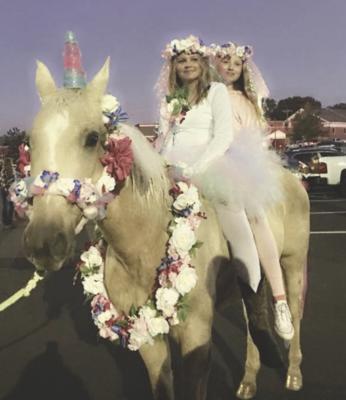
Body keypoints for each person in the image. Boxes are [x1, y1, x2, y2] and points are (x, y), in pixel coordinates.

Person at [210, 41, 294, 340]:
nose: (231, 66)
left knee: (256, 218)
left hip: (241, 164)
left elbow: (252, 136)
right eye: (226, 61)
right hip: (212, 160)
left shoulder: (247, 99)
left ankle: (279, 300)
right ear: (215, 64)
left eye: (237, 62)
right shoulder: (209, 95)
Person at [0, 154, 16, 229]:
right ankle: (7, 222)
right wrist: (7, 189)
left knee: (9, 205)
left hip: (9, 188)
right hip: (6, 189)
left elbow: (13, 179)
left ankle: (8, 221)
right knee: (7, 205)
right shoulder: (4, 169)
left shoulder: (10, 170)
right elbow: (3, 180)